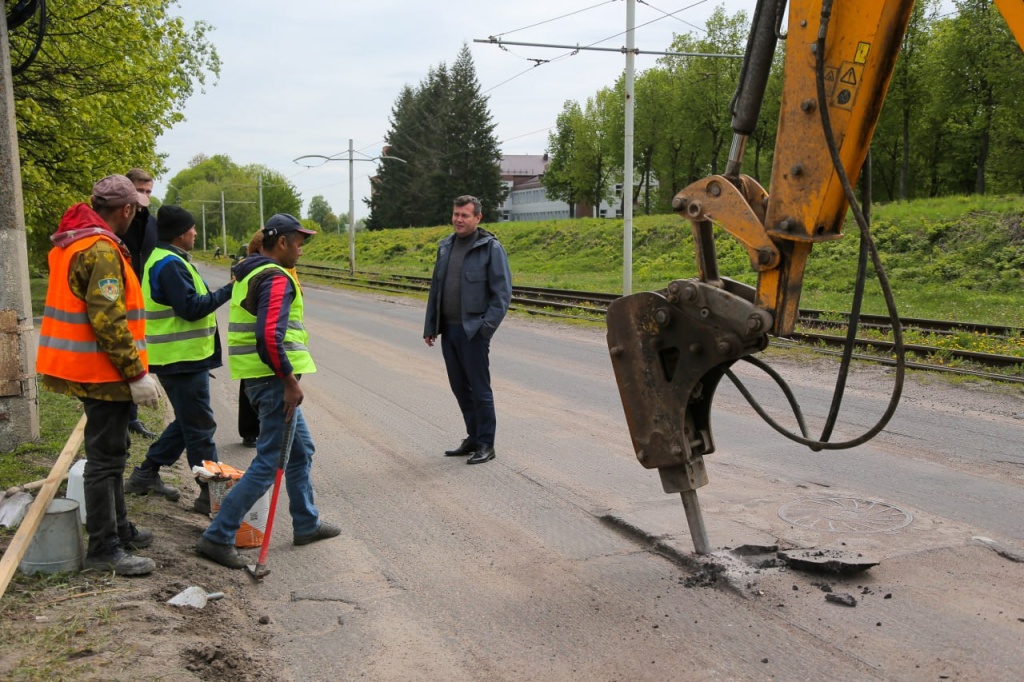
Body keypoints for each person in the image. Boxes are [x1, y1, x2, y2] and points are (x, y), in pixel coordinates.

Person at [196, 213, 339, 569]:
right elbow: (268, 336)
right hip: (273, 381)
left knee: (301, 450)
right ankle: (218, 535)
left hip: (260, 379)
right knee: (268, 463)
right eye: (299, 243)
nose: (301, 251)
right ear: (282, 243)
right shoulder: (275, 277)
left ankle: (305, 523)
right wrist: (289, 381)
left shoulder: (248, 272)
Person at [36, 175, 162, 576]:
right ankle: (104, 548)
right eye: (135, 212)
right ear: (125, 210)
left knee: (113, 453)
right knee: (106, 461)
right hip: (103, 371)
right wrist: (136, 372)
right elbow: (107, 319)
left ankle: (119, 530)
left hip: (90, 368)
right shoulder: (101, 249)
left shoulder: (73, 241)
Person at [124, 205, 233, 514]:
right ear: (182, 233)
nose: (196, 233)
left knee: (188, 422)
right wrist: (231, 288)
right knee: (200, 427)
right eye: (193, 228)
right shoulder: (169, 264)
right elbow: (192, 308)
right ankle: (210, 494)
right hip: (181, 360)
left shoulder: (166, 259)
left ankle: (146, 473)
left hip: (181, 359)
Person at [423, 195, 512, 465]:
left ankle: (487, 443)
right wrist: (431, 326)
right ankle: (473, 437)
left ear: (477, 218)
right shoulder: (446, 246)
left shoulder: (490, 248)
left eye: (465, 215)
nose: (459, 219)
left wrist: (485, 329)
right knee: (460, 388)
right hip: (449, 330)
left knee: (479, 389)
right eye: (456, 214)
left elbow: (502, 294)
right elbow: (436, 289)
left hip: (473, 331)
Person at [122, 168, 159, 440]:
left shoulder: (151, 222)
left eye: (148, 191)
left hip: (143, 294)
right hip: (118, 291)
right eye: (140, 190)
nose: (145, 196)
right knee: (122, 351)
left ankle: (131, 416)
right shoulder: (119, 219)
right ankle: (123, 414)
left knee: (137, 350)